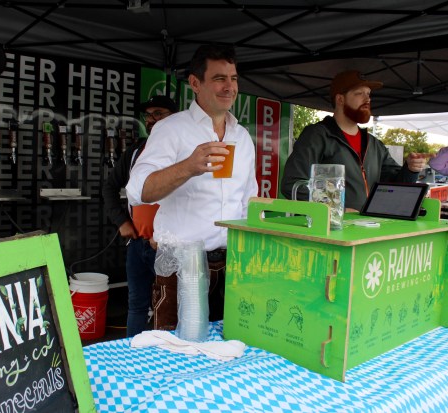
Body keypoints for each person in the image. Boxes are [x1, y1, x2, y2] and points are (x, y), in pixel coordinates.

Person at [125, 44, 258, 330]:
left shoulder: (243, 137)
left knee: (230, 347)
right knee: (177, 352)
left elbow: (248, 200)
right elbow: (138, 191)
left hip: (232, 265)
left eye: (233, 79)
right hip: (182, 266)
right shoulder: (171, 129)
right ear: (195, 83)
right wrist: (188, 166)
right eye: (219, 78)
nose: (229, 87)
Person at [281, 70, 427, 211]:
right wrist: (336, 209)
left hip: (368, 229)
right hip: (329, 232)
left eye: (369, 94)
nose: (367, 99)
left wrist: (410, 169)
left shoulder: (374, 145)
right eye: (359, 93)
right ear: (340, 99)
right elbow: (292, 185)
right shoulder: (317, 136)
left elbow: (395, 187)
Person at [102, 95, 178, 337]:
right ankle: (131, 359)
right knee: (136, 306)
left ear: (174, 118)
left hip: (169, 248)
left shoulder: (183, 150)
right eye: (148, 115)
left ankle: (164, 363)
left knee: (168, 308)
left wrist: (167, 235)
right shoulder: (136, 150)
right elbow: (109, 187)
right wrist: (122, 221)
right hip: (138, 245)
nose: (151, 119)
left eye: (158, 113)